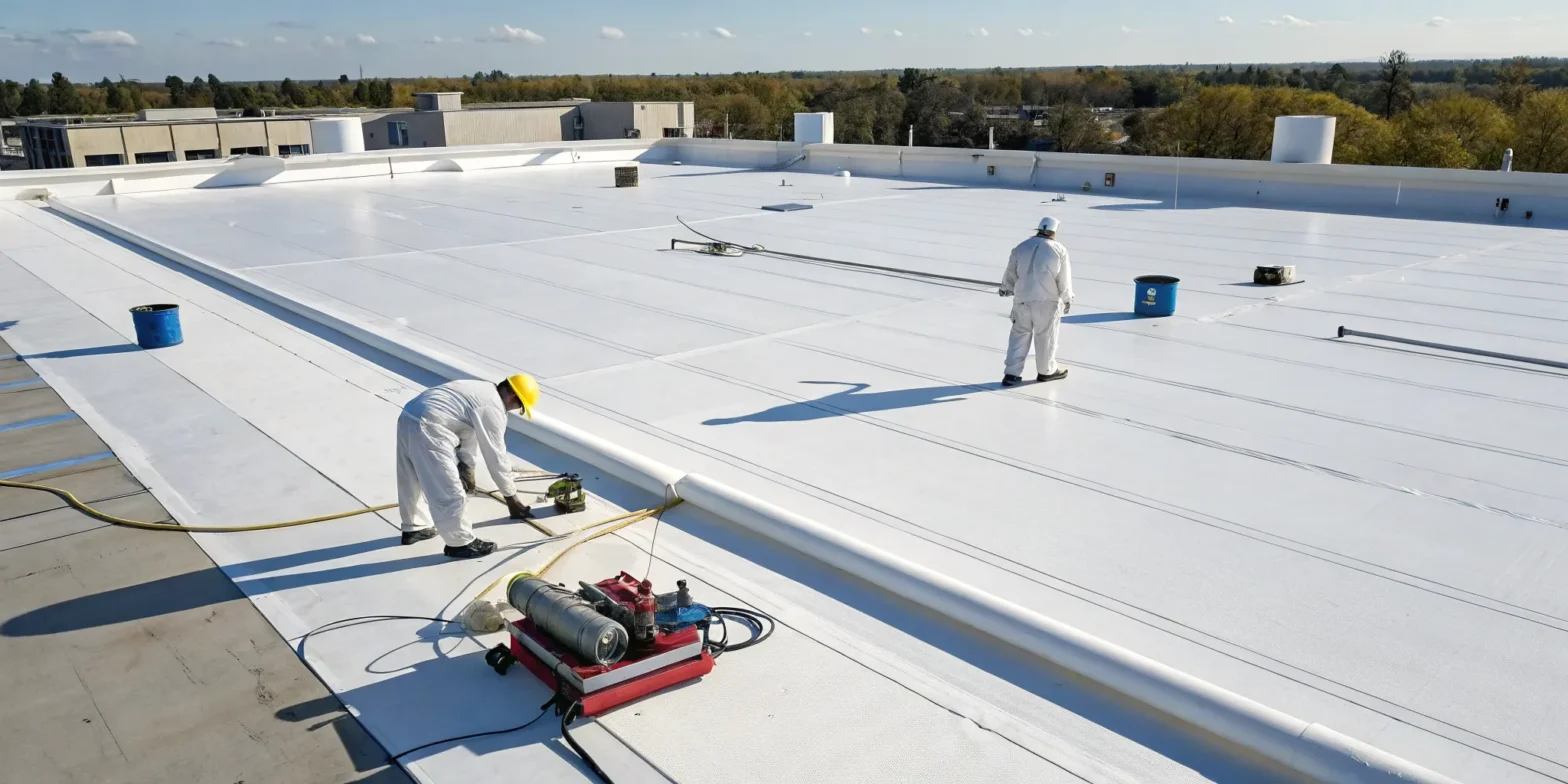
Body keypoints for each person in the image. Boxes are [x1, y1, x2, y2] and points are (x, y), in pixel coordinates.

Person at [396, 374, 540, 558]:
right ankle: (460, 543)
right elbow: (497, 458)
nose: (516, 410)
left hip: (410, 414)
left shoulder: (481, 390)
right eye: (520, 407)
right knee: (449, 489)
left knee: (410, 476)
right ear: (513, 397)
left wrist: (467, 468)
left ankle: (415, 527)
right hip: (431, 426)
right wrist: (512, 499)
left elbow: (467, 433)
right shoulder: (492, 407)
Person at [999, 217, 1074, 387]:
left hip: (1022, 300)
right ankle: (1046, 371)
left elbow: (1011, 271)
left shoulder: (1021, 247)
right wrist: (1067, 298)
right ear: (1054, 231)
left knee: (1019, 335)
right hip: (1046, 301)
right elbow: (1064, 279)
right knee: (1045, 336)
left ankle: (1011, 374)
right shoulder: (1058, 249)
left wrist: (1006, 287)